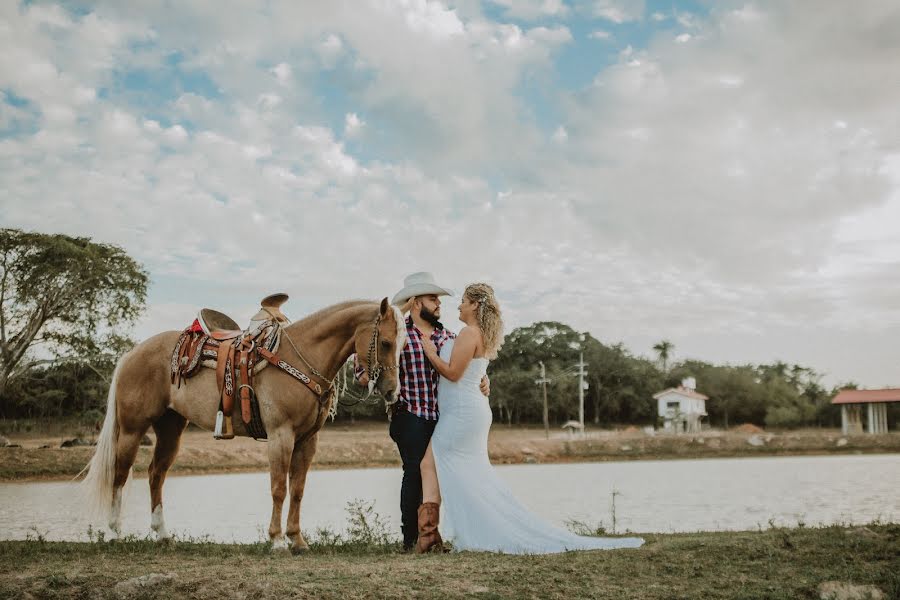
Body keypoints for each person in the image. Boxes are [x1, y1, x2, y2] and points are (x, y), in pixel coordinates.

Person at [417, 283, 644, 554]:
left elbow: (453, 373)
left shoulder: (469, 332)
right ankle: (446, 534)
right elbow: (472, 371)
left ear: (475, 305)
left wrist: (430, 352)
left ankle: (436, 536)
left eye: (464, 300)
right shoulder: (472, 334)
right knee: (464, 471)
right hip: (468, 411)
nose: (459, 305)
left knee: (431, 463)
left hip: (462, 413)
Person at [357, 272, 489, 552]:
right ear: (416, 303)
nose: (439, 304)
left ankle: (432, 536)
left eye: (439, 299)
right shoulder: (399, 335)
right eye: (432, 299)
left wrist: (483, 379)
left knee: (437, 475)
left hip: (443, 417)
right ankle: (412, 539)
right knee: (415, 472)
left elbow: (467, 367)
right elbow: (367, 367)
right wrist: (364, 372)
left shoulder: (449, 335)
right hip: (410, 414)